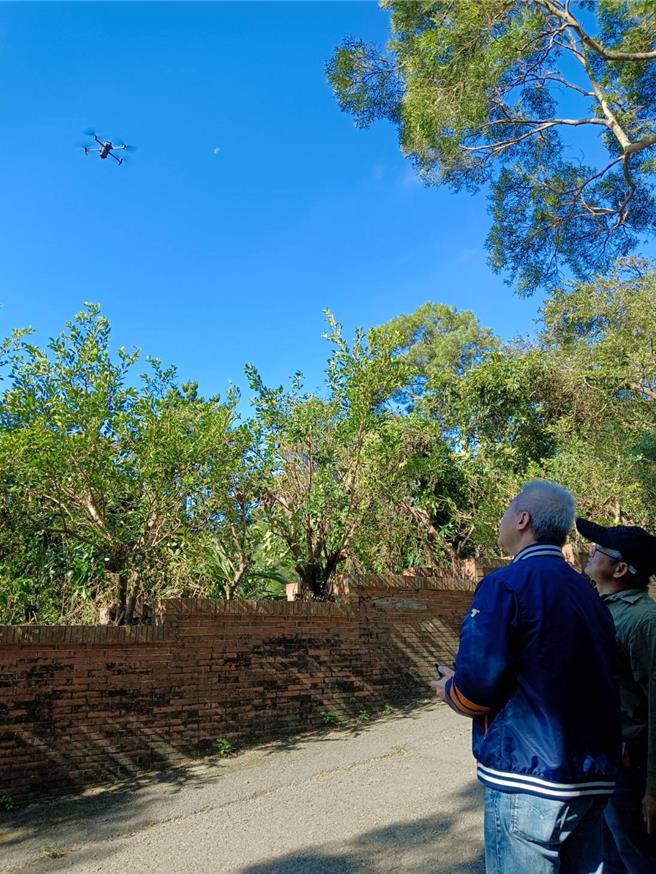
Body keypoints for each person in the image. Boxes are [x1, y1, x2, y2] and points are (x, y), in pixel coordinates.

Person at [432, 479, 621, 873]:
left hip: (528, 778)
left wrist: (450, 687)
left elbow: (477, 687)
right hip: (591, 778)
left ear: (522, 519)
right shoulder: (588, 592)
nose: (500, 519)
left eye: (506, 511)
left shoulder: (504, 585)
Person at [577, 516, 656, 873]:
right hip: (603, 759)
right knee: (609, 854)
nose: (591, 552)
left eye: (600, 549)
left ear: (621, 568)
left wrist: (653, 790)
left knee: (636, 855)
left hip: (632, 767)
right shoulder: (598, 607)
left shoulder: (644, 621)